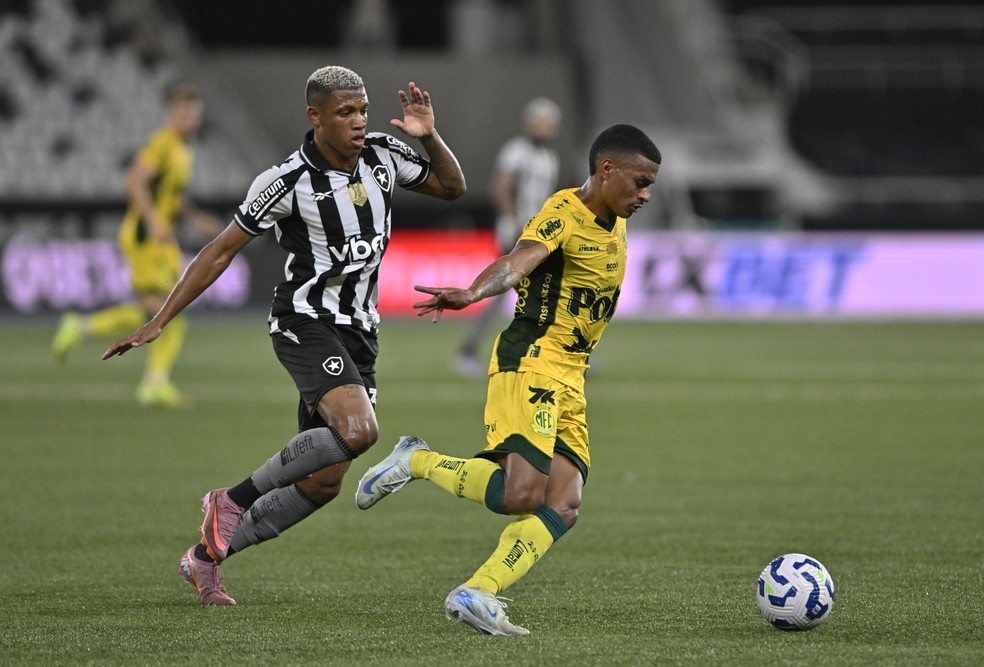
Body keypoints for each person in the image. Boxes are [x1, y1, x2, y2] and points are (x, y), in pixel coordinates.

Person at [102, 65, 466, 606]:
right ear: (315, 117)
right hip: (304, 321)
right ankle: (230, 500)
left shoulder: (384, 155)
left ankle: (205, 559)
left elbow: (451, 188)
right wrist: (161, 318)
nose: (359, 122)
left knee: (324, 481)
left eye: (363, 110)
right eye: (346, 112)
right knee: (361, 430)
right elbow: (219, 250)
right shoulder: (287, 181)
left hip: (361, 332)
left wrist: (430, 134)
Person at [355, 124, 661, 635]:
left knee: (564, 503)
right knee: (523, 494)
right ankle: (417, 460)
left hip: (572, 375)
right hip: (533, 362)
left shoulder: (616, 217)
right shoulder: (563, 212)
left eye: (650, 185)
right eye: (640, 182)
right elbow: (520, 261)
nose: (646, 195)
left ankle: (478, 591)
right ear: (606, 170)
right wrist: (474, 292)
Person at [51, 83, 222, 407]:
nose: (190, 119)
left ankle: (153, 381)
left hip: (162, 242)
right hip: (146, 239)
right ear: (173, 114)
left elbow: (170, 195)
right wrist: (154, 219)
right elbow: (134, 181)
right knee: (161, 310)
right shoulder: (162, 143)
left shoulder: (183, 151)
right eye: (184, 112)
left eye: (194, 113)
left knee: (168, 312)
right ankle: (86, 329)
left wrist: (194, 218)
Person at [456, 96, 562, 377]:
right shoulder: (517, 151)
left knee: (551, 291)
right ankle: (468, 351)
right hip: (518, 233)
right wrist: (516, 221)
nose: (546, 128)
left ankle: (562, 352)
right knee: (502, 291)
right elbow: (501, 187)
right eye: (541, 122)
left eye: (550, 123)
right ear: (530, 123)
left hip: (540, 235)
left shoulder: (549, 156)